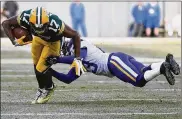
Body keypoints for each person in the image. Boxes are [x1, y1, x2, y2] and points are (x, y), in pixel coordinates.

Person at [2, 7, 84, 104]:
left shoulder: (56, 23)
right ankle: (41, 89)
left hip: (53, 43)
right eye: (36, 27)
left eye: (42, 27)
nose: (39, 29)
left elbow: (75, 34)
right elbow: (5, 23)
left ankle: (49, 88)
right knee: (35, 65)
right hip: (38, 39)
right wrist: (14, 41)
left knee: (41, 69)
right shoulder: (25, 17)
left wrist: (77, 58)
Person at [46, 39, 180, 90]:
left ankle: (162, 68)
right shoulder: (77, 58)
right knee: (144, 71)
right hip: (117, 59)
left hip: (114, 62)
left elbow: (78, 57)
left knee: (139, 81)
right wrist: (51, 72)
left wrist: (57, 59)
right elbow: (69, 79)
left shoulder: (76, 45)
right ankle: (165, 64)